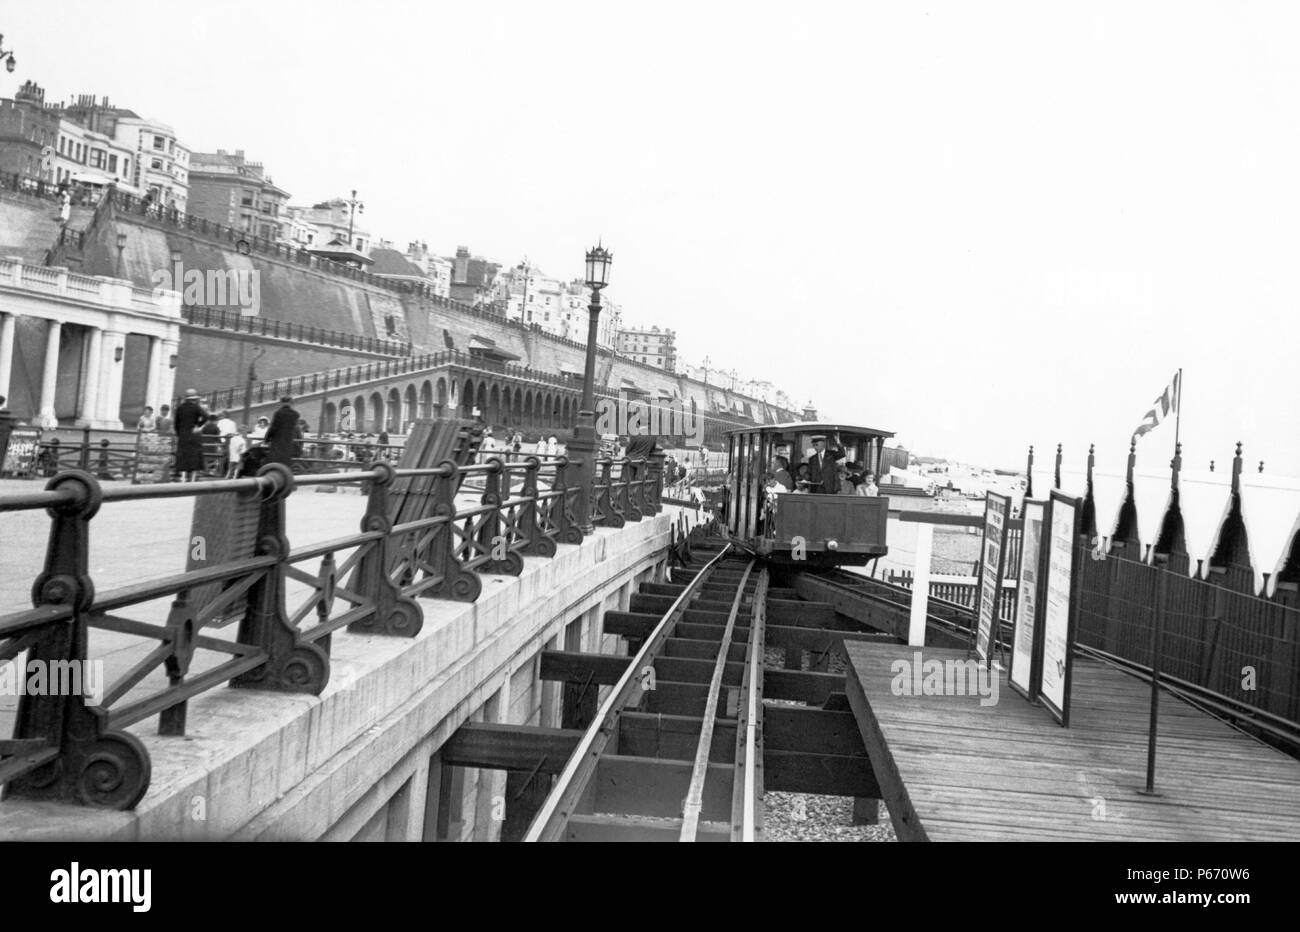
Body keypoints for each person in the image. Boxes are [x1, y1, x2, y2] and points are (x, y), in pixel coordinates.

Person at [173, 389, 209, 482]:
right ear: (194, 399)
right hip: (193, 435)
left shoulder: (180, 408)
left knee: (183, 456)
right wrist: (198, 425)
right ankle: (192, 479)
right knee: (194, 456)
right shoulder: (196, 407)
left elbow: (176, 423)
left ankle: (183, 477)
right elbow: (206, 416)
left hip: (183, 435)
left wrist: (179, 434)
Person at [264, 395, 300, 468]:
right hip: (289, 441)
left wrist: (267, 438)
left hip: (278, 440)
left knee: (274, 460)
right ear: (291, 403)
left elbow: (273, 427)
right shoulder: (295, 414)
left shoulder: (278, 413)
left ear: (281, 403)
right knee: (285, 461)